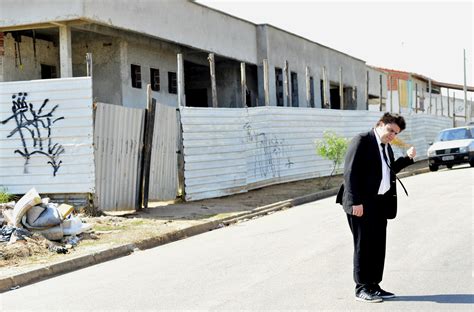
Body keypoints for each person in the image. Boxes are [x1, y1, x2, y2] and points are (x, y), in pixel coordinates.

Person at [336, 112, 416, 303]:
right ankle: (362, 288)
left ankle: (374, 285)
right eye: (390, 130)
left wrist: (406, 158)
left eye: (396, 133)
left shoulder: (386, 148)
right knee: (364, 246)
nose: (392, 135)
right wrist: (355, 202)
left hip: (379, 204)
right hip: (360, 203)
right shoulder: (362, 140)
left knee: (378, 246)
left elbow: (388, 172)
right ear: (380, 124)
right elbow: (350, 173)